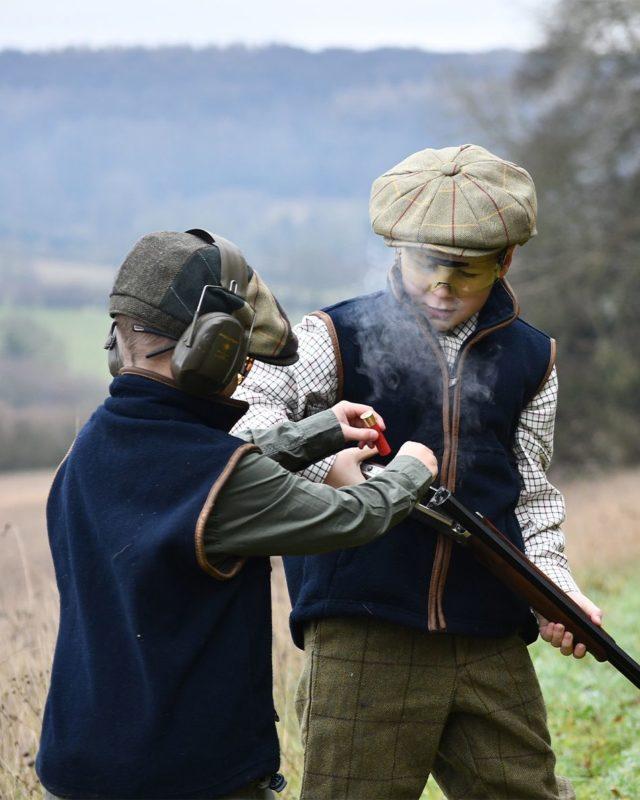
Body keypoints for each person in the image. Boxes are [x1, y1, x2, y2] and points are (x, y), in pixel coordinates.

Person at [232, 145, 604, 800]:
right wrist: (324, 463)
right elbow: (244, 426)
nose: (440, 287)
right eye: (424, 264)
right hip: (363, 633)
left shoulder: (532, 357)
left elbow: (534, 498)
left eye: (464, 271)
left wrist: (556, 592)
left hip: (489, 635)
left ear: (505, 259)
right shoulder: (332, 335)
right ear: (397, 249)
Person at [36, 228, 439, 800]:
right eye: (241, 354)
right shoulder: (218, 479)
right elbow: (356, 514)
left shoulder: (90, 448)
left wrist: (321, 432)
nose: (245, 369)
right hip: (189, 780)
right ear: (212, 348)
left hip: (75, 772)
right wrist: (415, 468)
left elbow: (196, 480)